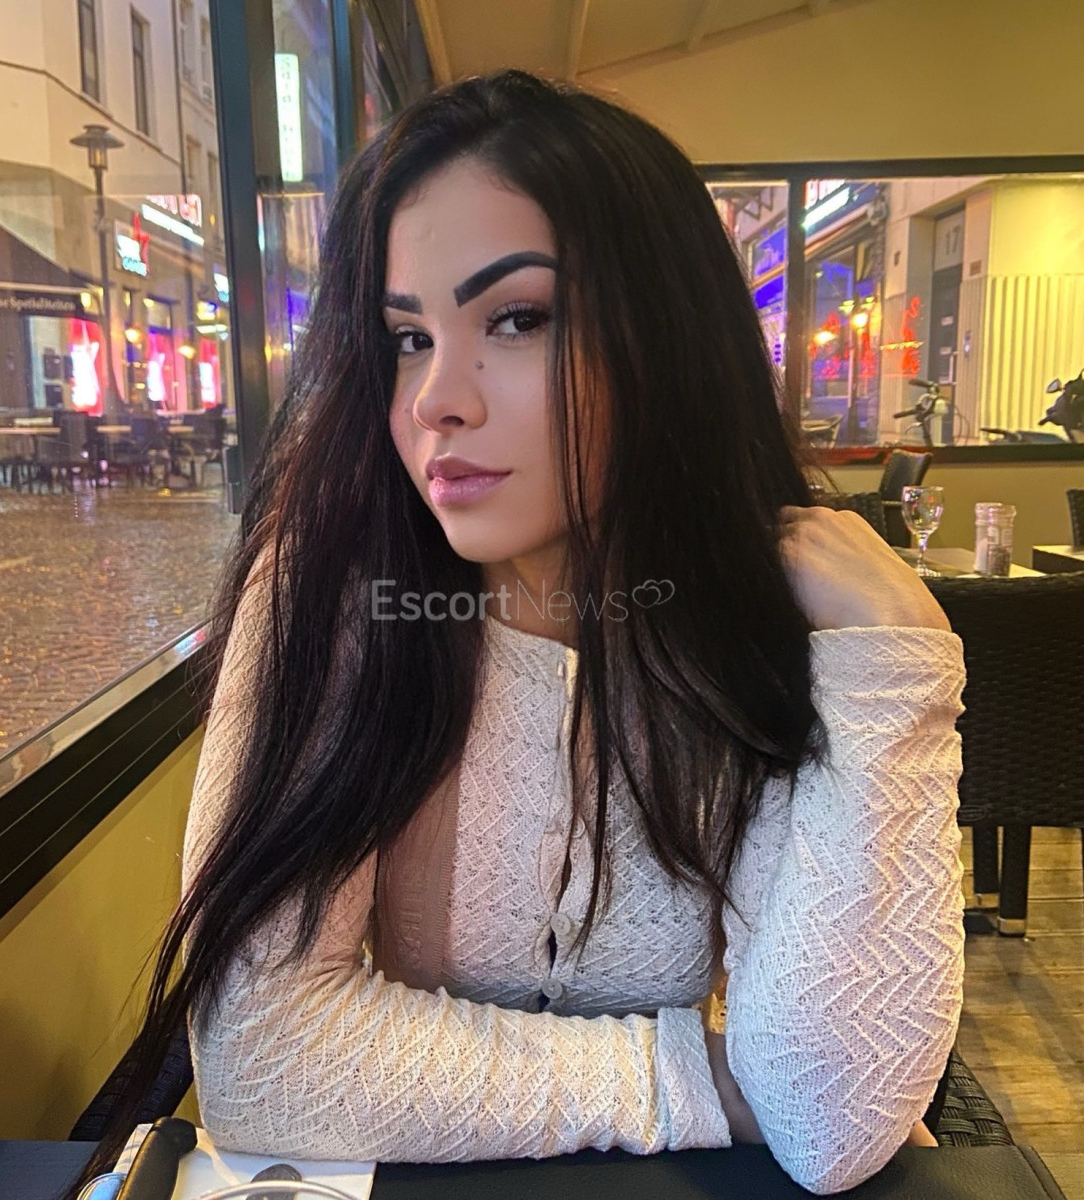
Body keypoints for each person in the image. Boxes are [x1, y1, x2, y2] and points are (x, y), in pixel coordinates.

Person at [79, 69, 965, 1196]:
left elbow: (829, 1121)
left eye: (515, 319)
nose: (435, 400)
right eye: (408, 337)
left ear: (664, 340)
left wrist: (895, 666)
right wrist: (689, 1076)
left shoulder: (759, 632)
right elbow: (263, 1055)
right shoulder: (329, 592)